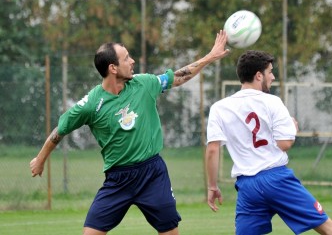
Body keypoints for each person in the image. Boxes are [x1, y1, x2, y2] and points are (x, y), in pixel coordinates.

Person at [30, 30, 230, 235]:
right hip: (118, 180)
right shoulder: (91, 104)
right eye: (126, 58)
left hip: (152, 174)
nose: (132, 61)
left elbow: (179, 77)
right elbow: (59, 131)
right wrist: (40, 159)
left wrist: (211, 56)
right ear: (113, 68)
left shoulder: (143, 83)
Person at [205, 50, 332, 235]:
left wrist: (213, 186)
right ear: (258, 75)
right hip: (277, 180)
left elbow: (212, 150)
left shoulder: (219, 108)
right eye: (270, 71)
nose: (272, 76)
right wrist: (292, 130)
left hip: (248, 188)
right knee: (329, 229)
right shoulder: (272, 102)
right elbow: (284, 144)